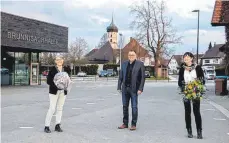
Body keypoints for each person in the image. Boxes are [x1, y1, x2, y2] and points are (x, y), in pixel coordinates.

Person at [178, 52, 205, 139]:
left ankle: (199, 131)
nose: (185, 58)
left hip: (195, 91)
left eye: (187, 57)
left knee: (196, 112)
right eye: (184, 57)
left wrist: (197, 85)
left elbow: (202, 80)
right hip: (186, 91)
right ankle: (189, 130)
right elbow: (179, 81)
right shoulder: (182, 69)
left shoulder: (197, 67)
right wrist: (183, 85)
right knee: (187, 112)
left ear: (191, 58)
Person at [117, 50, 145, 131]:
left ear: (135, 56)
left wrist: (140, 89)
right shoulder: (124, 64)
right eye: (129, 55)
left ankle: (133, 124)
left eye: (132, 55)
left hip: (134, 89)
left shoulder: (140, 64)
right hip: (125, 89)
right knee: (125, 106)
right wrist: (119, 86)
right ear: (128, 56)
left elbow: (142, 78)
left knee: (134, 106)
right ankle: (125, 123)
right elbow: (121, 77)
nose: (131, 56)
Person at [44, 55, 70, 133]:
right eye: (58, 60)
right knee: (52, 108)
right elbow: (48, 81)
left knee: (60, 108)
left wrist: (67, 85)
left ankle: (57, 125)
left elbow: (68, 79)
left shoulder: (66, 69)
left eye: (61, 59)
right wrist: (57, 84)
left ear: (63, 61)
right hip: (54, 92)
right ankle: (46, 126)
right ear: (55, 61)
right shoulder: (52, 70)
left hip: (63, 92)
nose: (59, 61)